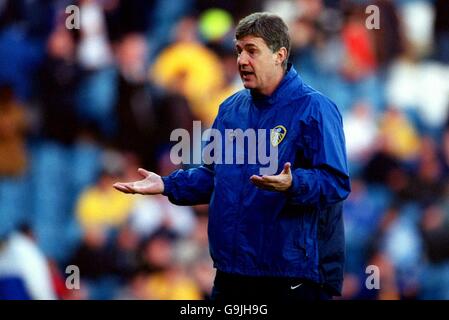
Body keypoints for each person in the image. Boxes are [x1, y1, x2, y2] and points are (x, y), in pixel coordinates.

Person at [114, 12, 351, 301]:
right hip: (232, 274)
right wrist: (167, 185)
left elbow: (336, 182)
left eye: (252, 51)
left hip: (290, 276)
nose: (241, 60)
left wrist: (294, 183)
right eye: (239, 51)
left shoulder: (315, 109)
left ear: (280, 55)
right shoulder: (230, 110)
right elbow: (215, 177)